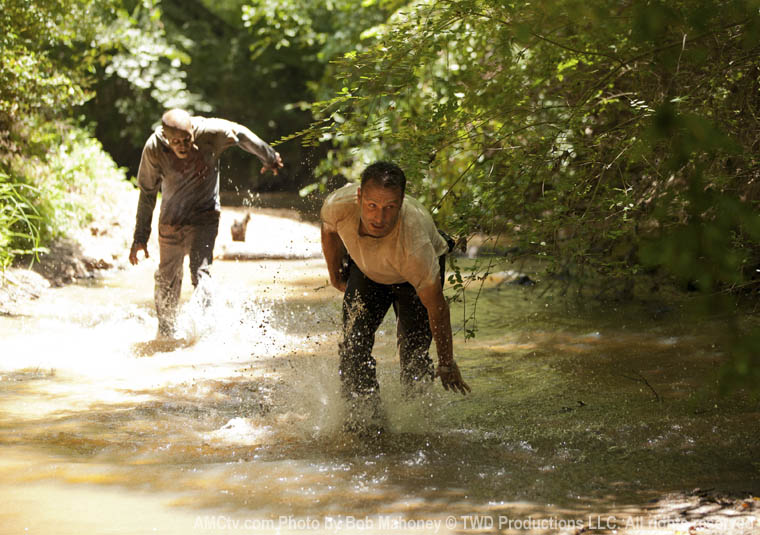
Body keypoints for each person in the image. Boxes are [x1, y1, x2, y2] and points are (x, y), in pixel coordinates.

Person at [320, 161, 471, 432]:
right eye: (372, 206)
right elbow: (329, 230)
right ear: (359, 198)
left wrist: (447, 363)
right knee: (353, 348)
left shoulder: (415, 247)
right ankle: (367, 422)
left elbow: (437, 307)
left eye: (390, 207)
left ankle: (418, 428)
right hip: (367, 271)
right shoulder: (338, 206)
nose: (379, 218)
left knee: (414, 357)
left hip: (411, 279)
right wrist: (334, 273)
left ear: (401, 204)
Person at [128, 108, 283, 337]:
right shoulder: (154, 148)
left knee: (200, 272)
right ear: (165, 136)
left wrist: (268, 156)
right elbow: (147, 192)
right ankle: (166, 335)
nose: (182, 146)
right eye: (176, 142)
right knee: (167, 280)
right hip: (171, 221)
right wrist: (140, 237)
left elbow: (239, 133)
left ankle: (207, 334)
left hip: (205, 216)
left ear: (193, 131)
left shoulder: (210, 132)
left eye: (187, 139)